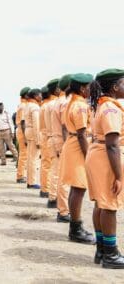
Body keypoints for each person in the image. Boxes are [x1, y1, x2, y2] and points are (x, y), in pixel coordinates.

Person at [86, 69, 124, 268]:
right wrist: (118, 176)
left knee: (101, 204)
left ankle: (102, 249)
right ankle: (111, 253)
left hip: (98, 154)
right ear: (115, 87)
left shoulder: (102, 105)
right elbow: (112, 143)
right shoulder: (111, 108)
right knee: (109, 205)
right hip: (106, 158)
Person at [60, 73, 95, 244]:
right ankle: (76, 229)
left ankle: (75, 226)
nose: (91, 90)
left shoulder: (72, 101)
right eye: (89, 87)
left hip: (72, 144)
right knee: (79, 188)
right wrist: (89, 157)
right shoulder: (80, 105)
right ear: (82, 88)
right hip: (78, 146)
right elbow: (82, 134)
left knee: (77, 188)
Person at [51, 75, 71, 223]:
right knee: (63, 178)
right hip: (62, 141)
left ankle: (62, 208)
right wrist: (66, 145)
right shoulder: (64, 102)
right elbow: (65, 127)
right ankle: (63, 211)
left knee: (58, 174)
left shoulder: (58, 101)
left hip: (56, 139)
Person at [43, 80, 59, 206]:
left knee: (49, 166)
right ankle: (53, 197)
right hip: (57, 138)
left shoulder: (46, 105)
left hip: (48, 137)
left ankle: (50, 193)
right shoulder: (59, 103)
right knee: (57, 170)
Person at [24, 88, 42, 189]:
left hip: (28, 131)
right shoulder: (35, 106)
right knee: (34, 159)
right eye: (39, 95)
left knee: (30, 158)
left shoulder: (27, 105)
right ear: (35, 96)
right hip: (33, 132)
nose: (41, 96)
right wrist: (38, 139)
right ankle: (32, 182)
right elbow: (36, 124)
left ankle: (30, 181)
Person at [15, 87, 30, 183]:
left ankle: (21, 174)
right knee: (24, 155)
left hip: (20, 130)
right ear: (26, 95)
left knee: (23, 154)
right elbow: (23, 122)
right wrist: (25, 137)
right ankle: (20, 176)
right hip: (22, 131)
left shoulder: (22, 105)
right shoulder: (24, 106)